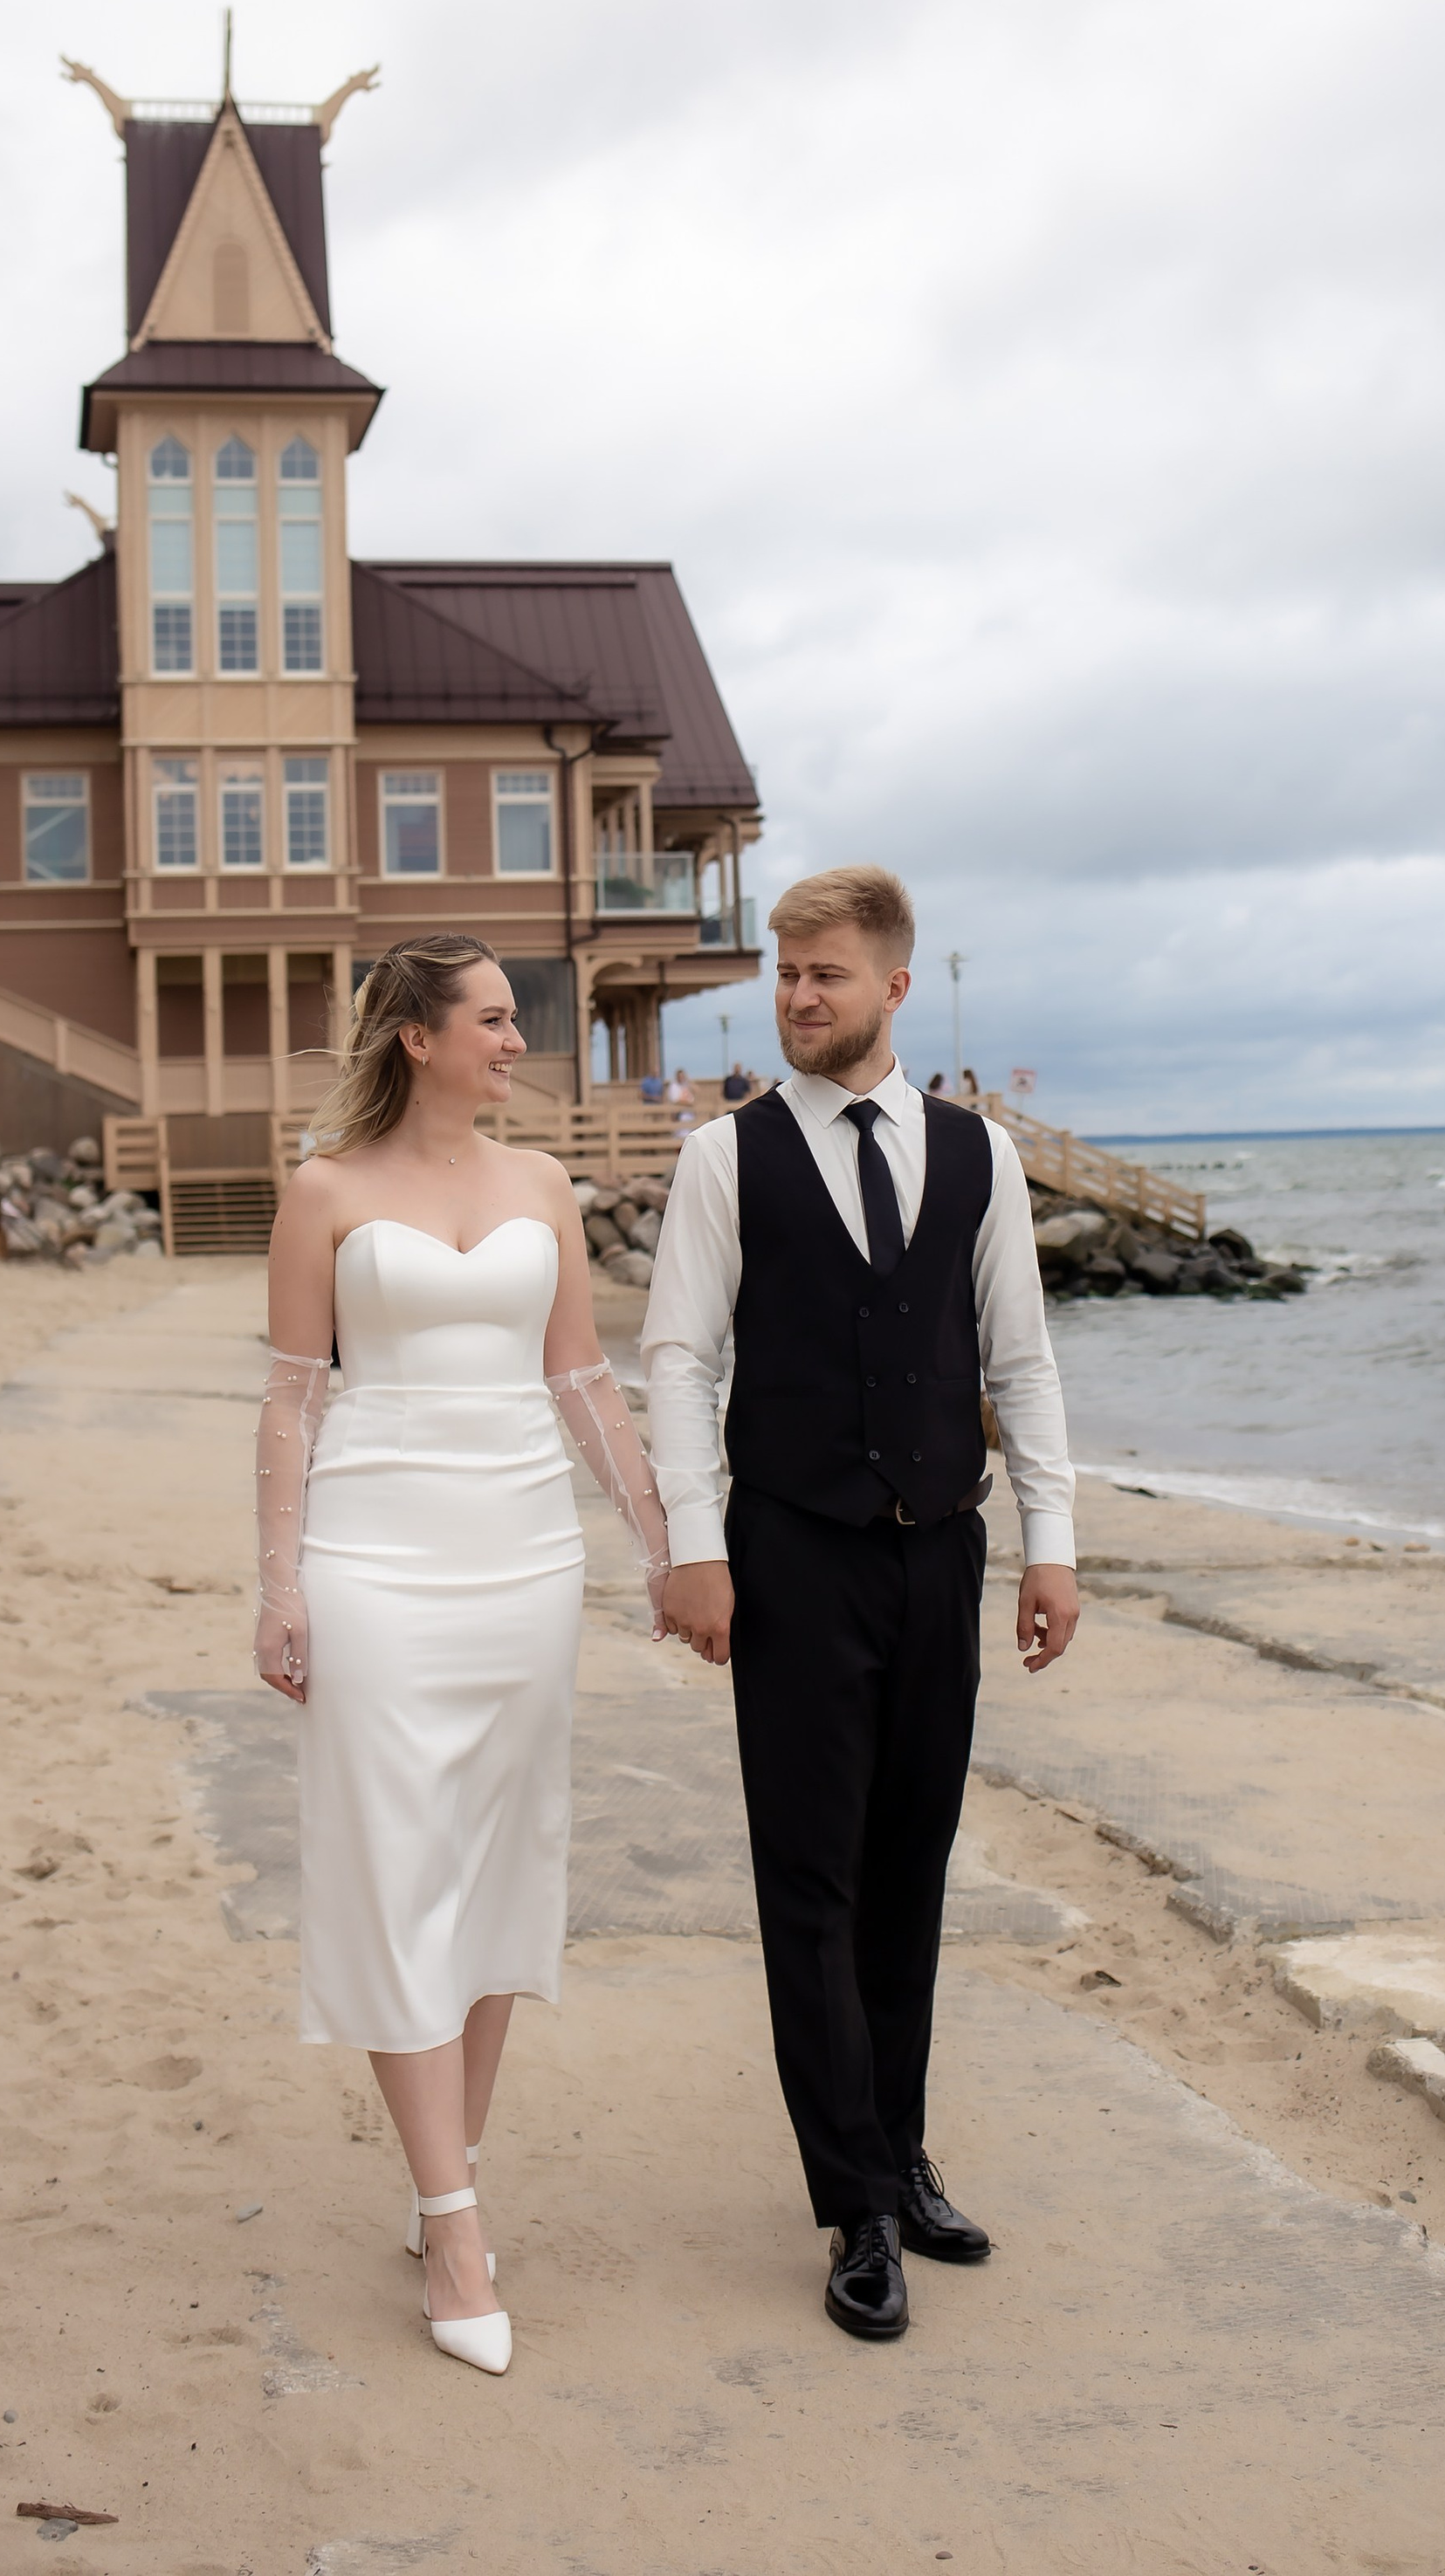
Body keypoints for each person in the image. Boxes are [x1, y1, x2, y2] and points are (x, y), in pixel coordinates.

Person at [643, 864, 1080, 2343]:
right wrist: (692, 1547)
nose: (798, 997)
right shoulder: (728, 1157)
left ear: (895, 986)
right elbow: (681, 1363)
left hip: (937, 1555)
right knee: (811, 1883)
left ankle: (899, 2148)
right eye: (785, 974)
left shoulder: (978, 1154)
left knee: (911, 1871)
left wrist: (1051, 1543)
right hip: (792, 1556)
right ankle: (857, 2207)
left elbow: (1020, 1361)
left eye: (825, 974)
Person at [256, 934, 671, 2379]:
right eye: (493, 1019)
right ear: (418, 1038)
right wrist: (279, 1589)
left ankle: (453, 2173)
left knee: (497, 1866)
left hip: (526, 1562)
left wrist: (662, 1545)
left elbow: (583, 1381)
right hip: (373, 1561)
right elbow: (292, 1403)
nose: (515, 1041)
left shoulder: (542, 1184)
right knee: (396, 1868)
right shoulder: (322, 1191)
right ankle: (452, 2226)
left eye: (515, 1019)